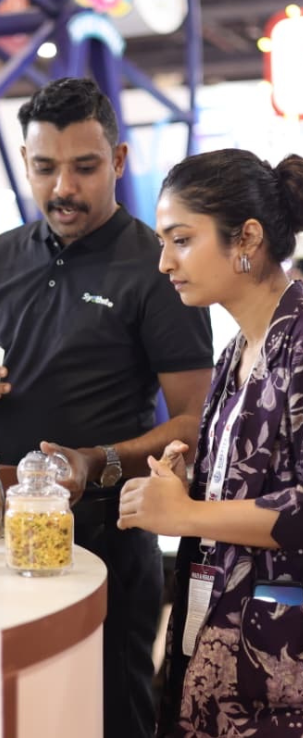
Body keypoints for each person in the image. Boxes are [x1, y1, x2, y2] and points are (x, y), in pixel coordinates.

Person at [0, 77, 214, 738]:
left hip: (109, 535)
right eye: (44, 168)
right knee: (10, 710)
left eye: (84, 167)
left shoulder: (156, 264)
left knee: (109, 712)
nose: (63, 187)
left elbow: (196, 423)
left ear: (116, 161)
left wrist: (99, 461)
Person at [118, 147, 303, 737]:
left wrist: (187, 512)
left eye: (181, 240)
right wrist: (185, 478)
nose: (164, 262)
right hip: (216, 640)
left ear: (245, 237)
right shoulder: (234, 353)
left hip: (279, 662)